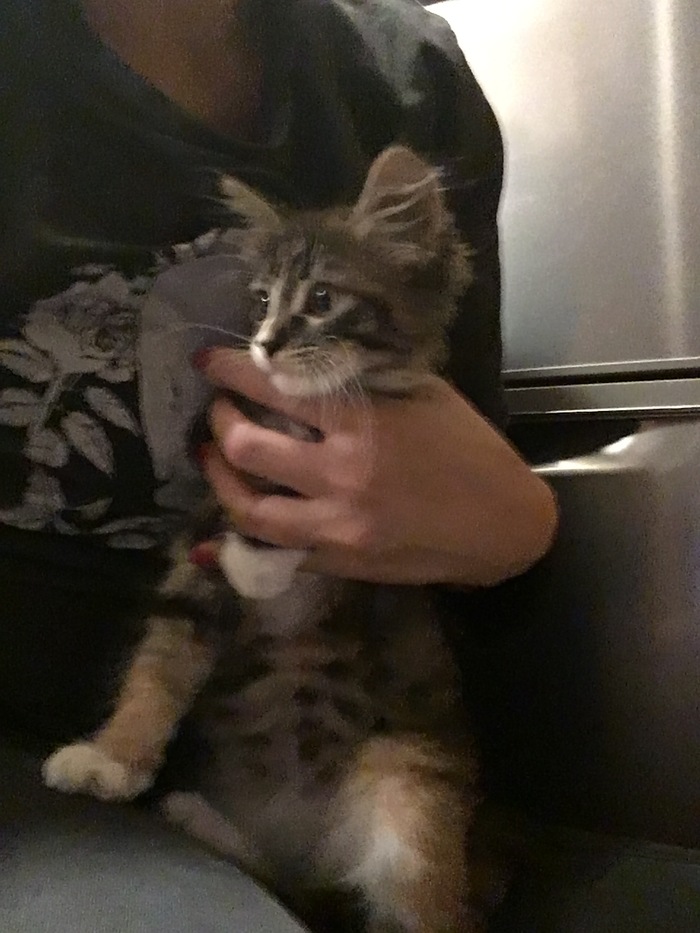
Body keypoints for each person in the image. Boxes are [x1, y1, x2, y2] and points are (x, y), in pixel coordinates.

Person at [0, 1, 557, 930]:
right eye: (265, 306)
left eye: (314, 306)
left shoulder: (407, 78)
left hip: (358, 740)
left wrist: (522, 528)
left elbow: (474, 496)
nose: (269, 334)